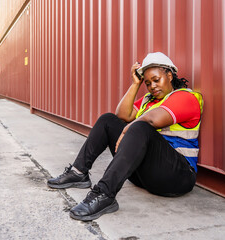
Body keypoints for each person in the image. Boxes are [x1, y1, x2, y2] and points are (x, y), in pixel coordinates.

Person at [47, 52, 203, 221]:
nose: (152, 86)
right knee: (108, 120)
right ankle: (78, 172)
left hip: (177, 177)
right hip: (146, 177)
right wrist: (136, 84)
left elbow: (153, 120)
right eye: (148, 83)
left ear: (170, 75)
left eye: (156, 80)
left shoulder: (186, 97)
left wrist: (126, 130)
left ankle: (105, 194)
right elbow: (121, 115)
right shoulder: (148, 100)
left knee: (140, 126)